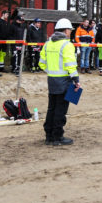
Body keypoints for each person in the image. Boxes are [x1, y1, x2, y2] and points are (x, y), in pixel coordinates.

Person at [39, 18, 80, 146]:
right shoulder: (67, 45)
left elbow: (41, 63)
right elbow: (70, 64)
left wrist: (52, 71)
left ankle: (49, 136)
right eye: (70, 30)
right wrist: (75, 79)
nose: (71, 32)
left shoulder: (47, 43)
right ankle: (57, 137)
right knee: (60, 110)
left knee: (51, 108)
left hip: (51, 79)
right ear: (66, 30)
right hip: (64, 80)